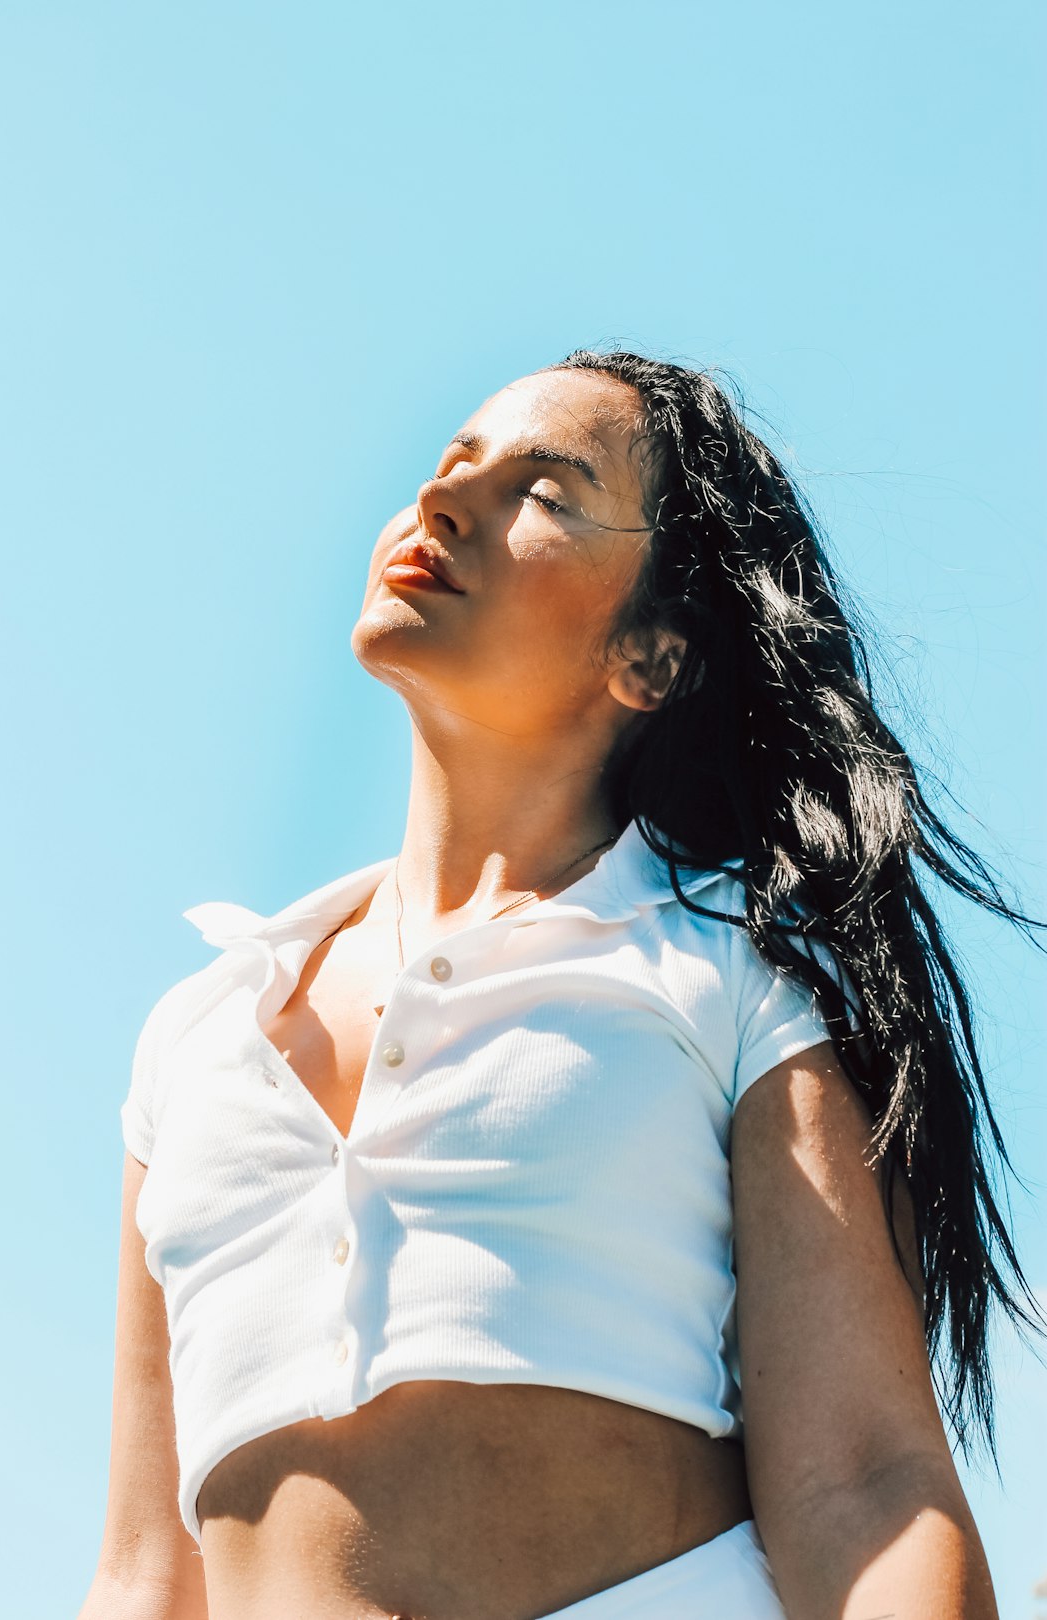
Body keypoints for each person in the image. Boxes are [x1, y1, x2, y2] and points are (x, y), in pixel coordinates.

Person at [80, 350, 1045, 1620]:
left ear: (650, 654)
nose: (442, 506)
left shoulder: (737, 984)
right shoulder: (197, 1037)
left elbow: (866, 1491)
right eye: (448, 468)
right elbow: (149, 1570)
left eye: (545, 490)